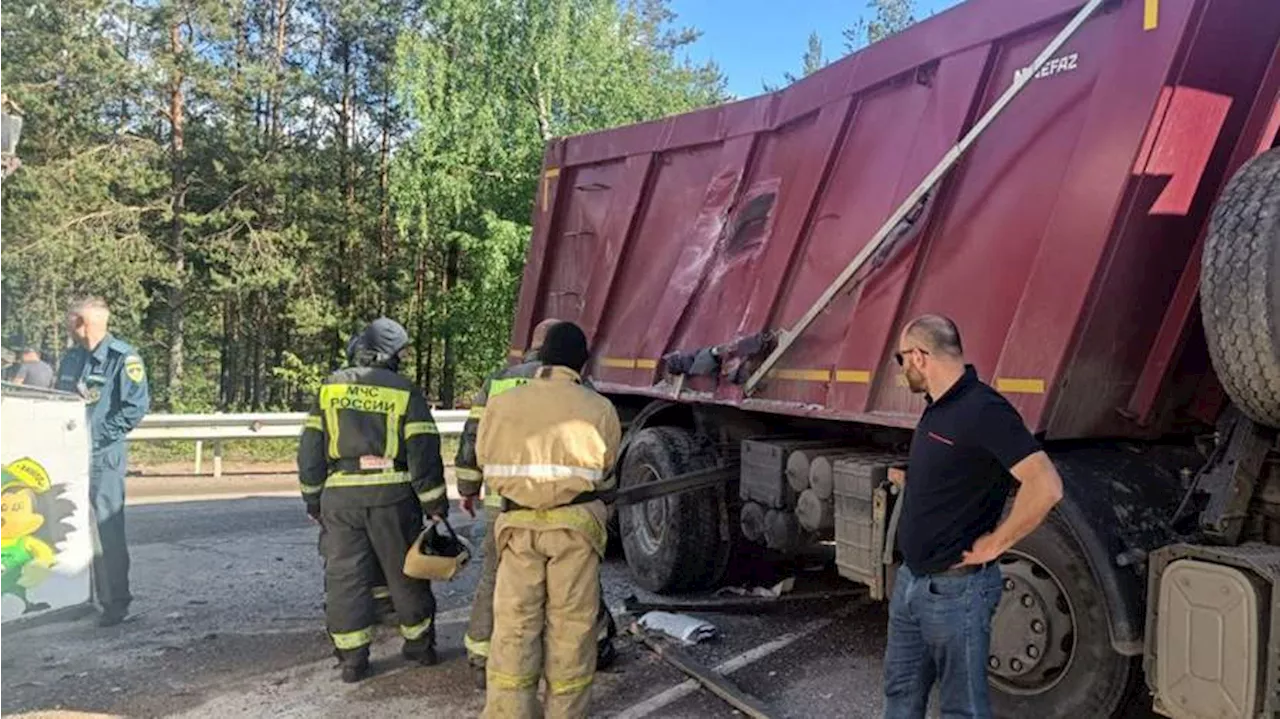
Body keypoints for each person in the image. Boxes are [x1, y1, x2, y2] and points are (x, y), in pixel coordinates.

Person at [884, 315, 1065, 718]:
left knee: (962, 709)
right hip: (912, 583)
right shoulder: (939, 407)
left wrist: (997, 544)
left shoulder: (984, 409)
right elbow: (962, 467)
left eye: (901, 359)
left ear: (918, 356)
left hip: (956, 592)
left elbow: (1046, 485)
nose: (902, 370)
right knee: (900, 694)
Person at [456, 318, 617, 688]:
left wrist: (468, 487)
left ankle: (483, 656)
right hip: (569, 509)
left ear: (535, 346)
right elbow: (600, 457)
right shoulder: (583, 390)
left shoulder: (499, 382)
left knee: (499, 584)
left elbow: (472, 438)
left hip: (509, 506)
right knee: (574, 599)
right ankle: (594, 647)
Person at [297, 317, 448, 683]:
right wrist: (435, 505)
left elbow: (310, 450)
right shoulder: (403, 390)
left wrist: (313, 499)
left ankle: (352, 658)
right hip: (392, 495)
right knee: (405, 572)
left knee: (345, 577)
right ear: (388, 352)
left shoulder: (330, 388)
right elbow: (423, 452)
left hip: (340, 496)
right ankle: (418, 646)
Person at [55, 297, 151, 627]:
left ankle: (115, 602)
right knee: (64, 524)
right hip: (66, 456)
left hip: (102, 457)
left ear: (84, 323)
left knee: (106, 530)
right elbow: (58, 403)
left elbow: (134, 409)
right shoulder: (70, 359)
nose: (67, 326)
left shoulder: (123, 359)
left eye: (70, 320)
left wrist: (93, 438)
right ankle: (72, 597)